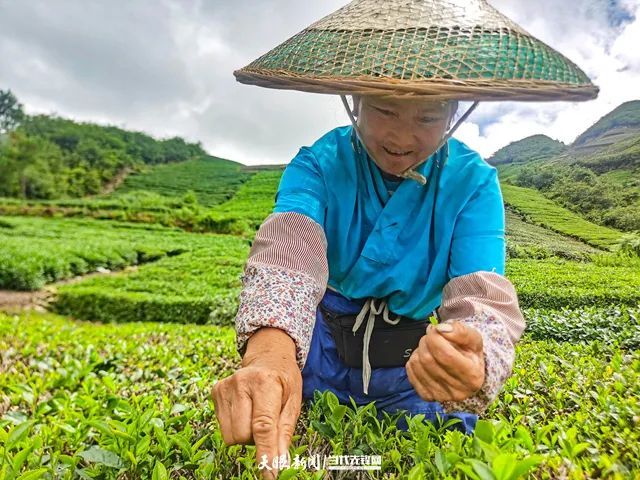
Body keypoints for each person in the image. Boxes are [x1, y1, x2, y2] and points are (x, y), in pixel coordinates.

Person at [211, 0, 598, 477]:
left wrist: (474, 353)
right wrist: (271, 355)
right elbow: (290, 250)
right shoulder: (317, 164)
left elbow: (481, 292)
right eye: (384, 108)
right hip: (322, 350)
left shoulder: (474, 183)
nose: (401, 136)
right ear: (354, 100)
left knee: (423, 448)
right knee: (317, 451)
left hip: (412, 364)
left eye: (428, 117)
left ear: (456, 111)